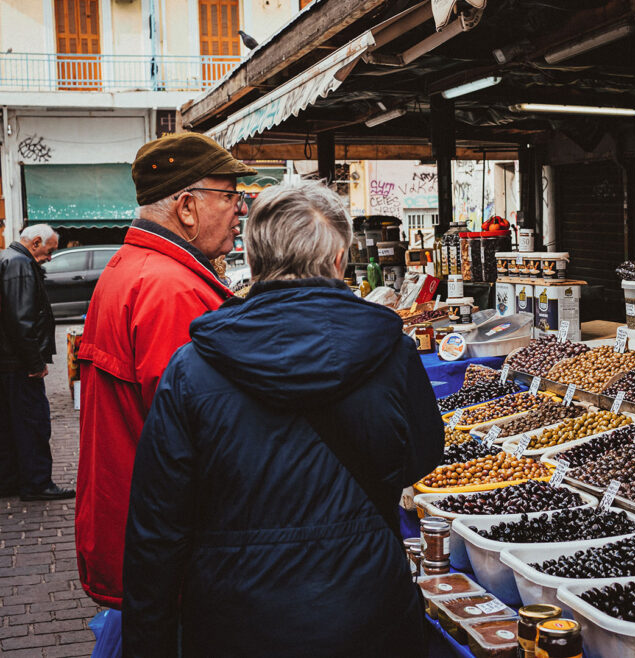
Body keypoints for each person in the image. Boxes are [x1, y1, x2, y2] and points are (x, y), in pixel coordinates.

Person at [122, 181, 442, 657]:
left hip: (235, 617)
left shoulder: (190, 368)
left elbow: (156, 528)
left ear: (253, 262)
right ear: (339, 261)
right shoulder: (393, 352)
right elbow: (421, 455)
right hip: (366, 608)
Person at [75, 132, 256, 608]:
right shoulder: (171, 290)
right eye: (231, 196)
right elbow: (206, 435)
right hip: (172, 549)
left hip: (139, 533)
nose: (240, 211)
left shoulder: (134, 267)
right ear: (188, 207)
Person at [0, 224, 74, 501]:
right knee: (32, 423)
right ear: (36, 242)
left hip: (7, 362)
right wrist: (35, 363)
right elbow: (21, 321)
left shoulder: (8, 258)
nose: (50, 257)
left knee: (9, 425)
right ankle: (37, 483)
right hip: (19, 364)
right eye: (49, 250)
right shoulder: (20, 264)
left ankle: (9, 481)